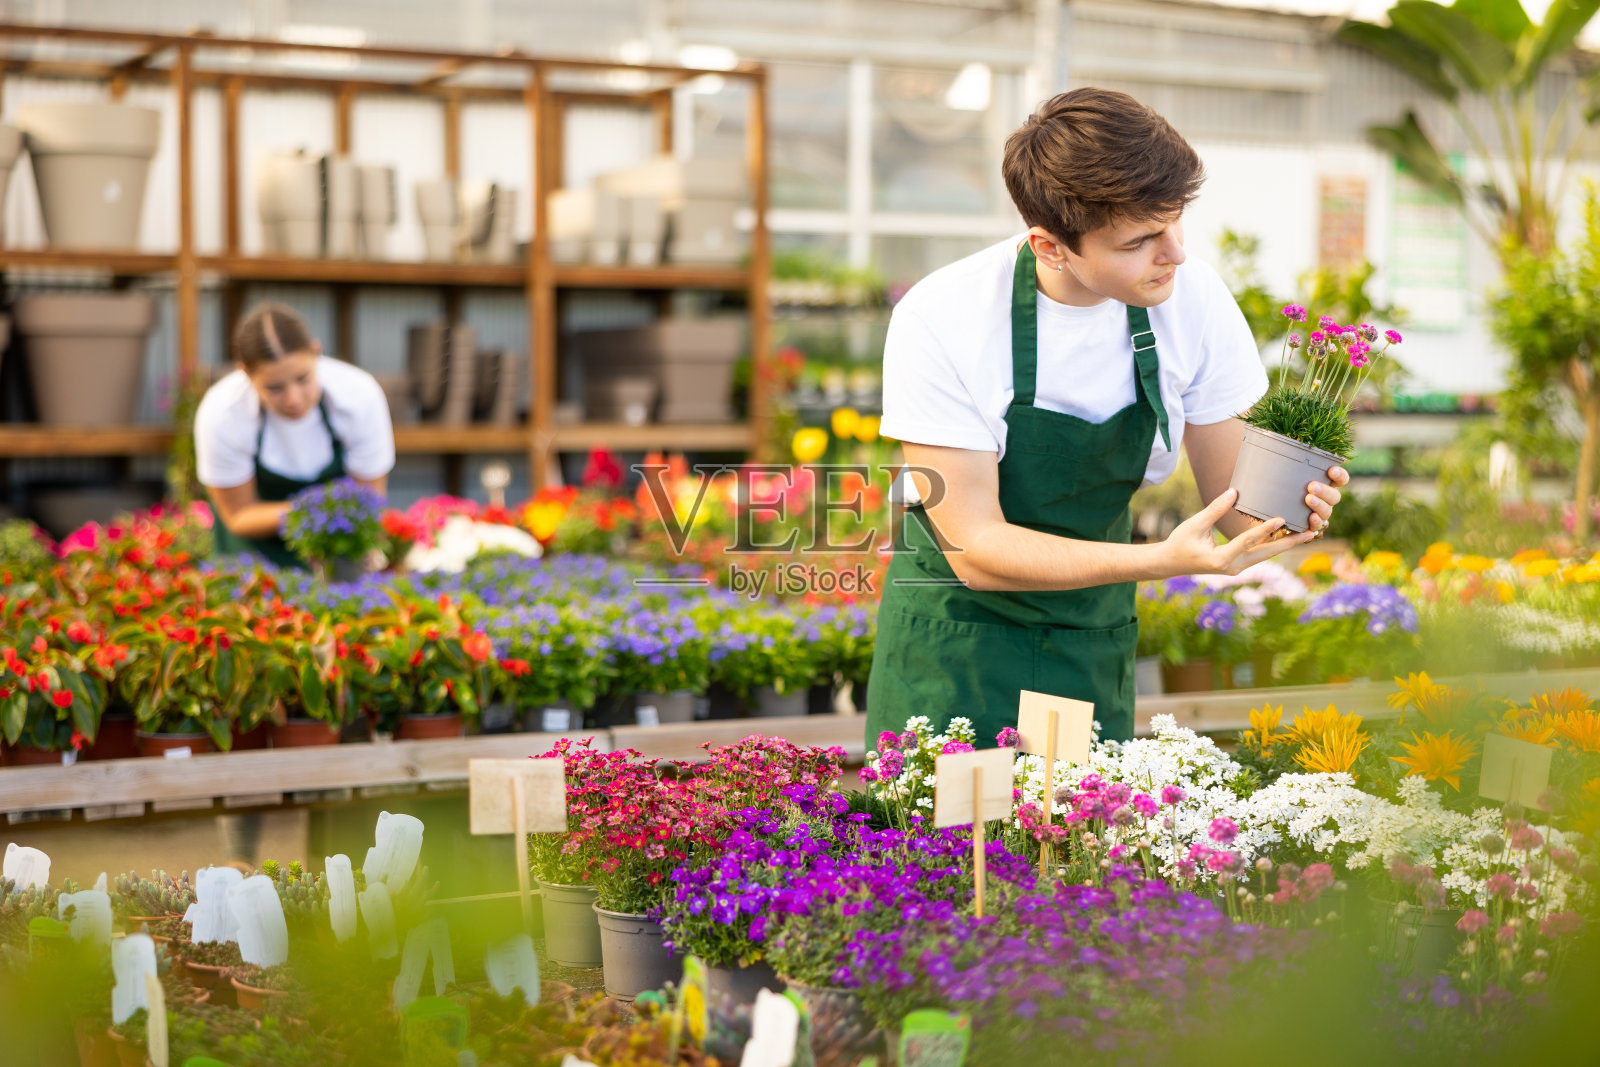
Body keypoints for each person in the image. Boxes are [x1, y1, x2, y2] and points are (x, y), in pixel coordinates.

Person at [865, 88, 1347, 748]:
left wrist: (1293, 508)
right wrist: (1160, 560)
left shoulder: (1194, 300)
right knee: (953, 815)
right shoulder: (943, 316)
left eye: (1175, 222)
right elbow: (975, 546)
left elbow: (1236, 512)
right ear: (1050, 247)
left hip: (1091, 635)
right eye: (1140, 240)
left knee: (1084, 816)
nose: (1175, 253)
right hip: (956, 644)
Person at [195, 302, 394, 568]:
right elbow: (238, 514)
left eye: (303, 379)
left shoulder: (358, 396)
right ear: (245, 374)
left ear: (316, 352)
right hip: (252, 558)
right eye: (274, 388)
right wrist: (314, 511)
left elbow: (370, 499)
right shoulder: (223, 413)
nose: (293, 399)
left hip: (334, 554)